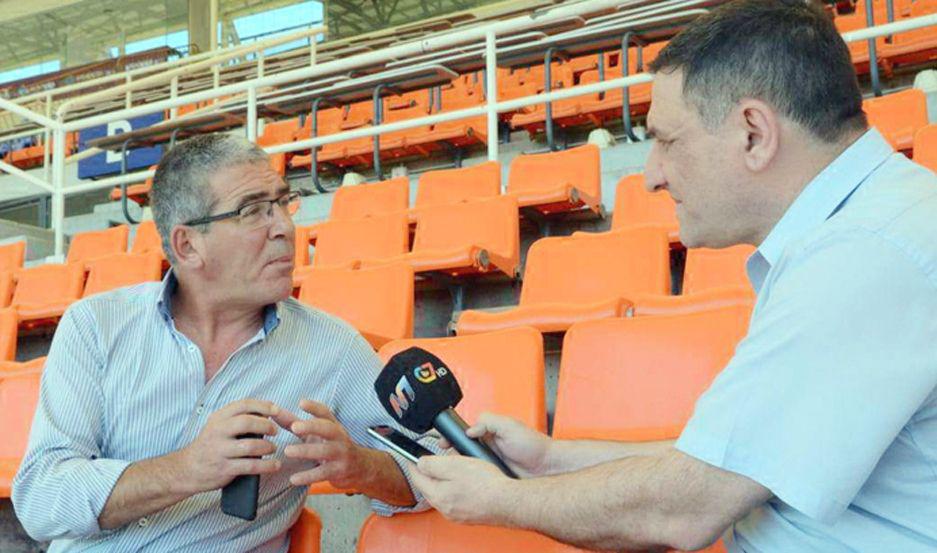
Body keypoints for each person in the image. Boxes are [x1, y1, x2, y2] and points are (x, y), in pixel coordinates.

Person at [409, 1, 937, 551]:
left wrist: (499, 500)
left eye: (667, 141)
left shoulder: (863, 255)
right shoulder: (864, 232)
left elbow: (686, 507)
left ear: (754, 134)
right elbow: (724, 462)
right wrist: (549, 460)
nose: (651, 175)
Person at [12, 134, 433, 552]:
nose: (285, 227)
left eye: (284, 203)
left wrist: (362, 467)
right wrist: (187, 469)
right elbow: (41, 500)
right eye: (253, 211)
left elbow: (433, 470)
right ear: (188, 245)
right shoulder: (95, 326)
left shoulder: (332, 348)